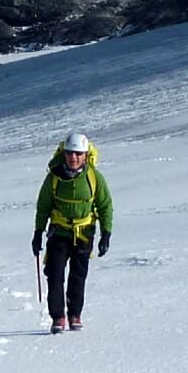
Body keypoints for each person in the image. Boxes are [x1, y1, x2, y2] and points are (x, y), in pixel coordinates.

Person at [29, 133, 112, 333]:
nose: (73, 158)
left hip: (84, 233)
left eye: (77, 154)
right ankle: (58, 317)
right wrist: (38, 232)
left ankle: (75, 314)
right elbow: (43, 205)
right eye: (69, 153)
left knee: (78, 275)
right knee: (55, 274)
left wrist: (106, 233)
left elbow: (105, 205)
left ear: (85, 155)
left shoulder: (94, 177)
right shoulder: (54, 178)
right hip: (59, 233)